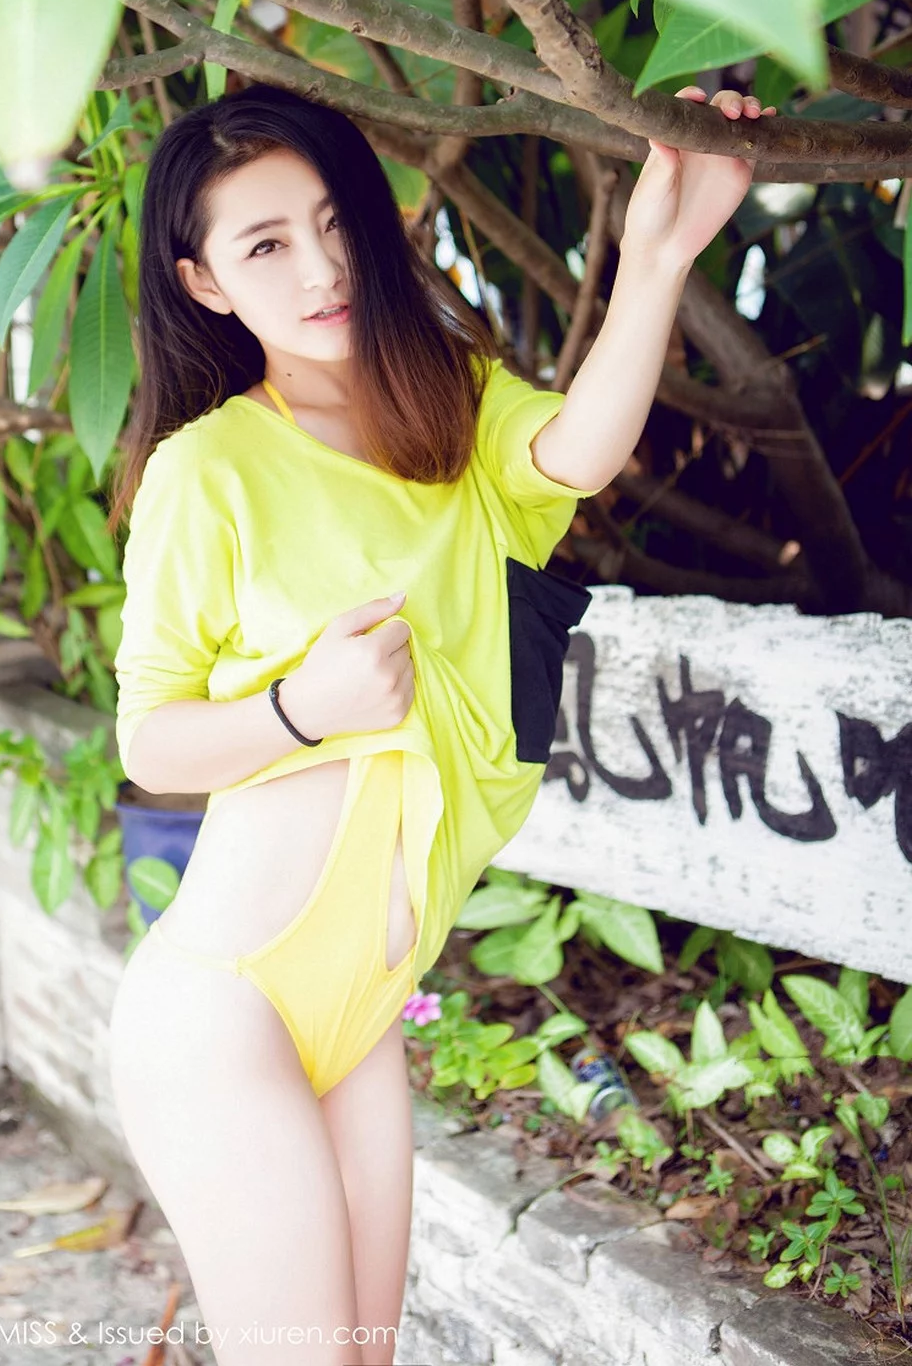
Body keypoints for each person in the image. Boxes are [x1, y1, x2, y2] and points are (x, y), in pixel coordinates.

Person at [105, 79, 774, 1366]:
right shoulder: (209, 469)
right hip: (222, 1011)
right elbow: (150, 741)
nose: (320, 267)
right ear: (204, 285)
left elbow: (579, 451)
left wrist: (658, 255)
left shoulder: (447, 404)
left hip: (358, 1014)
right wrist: (304, 709)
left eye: (332, 223)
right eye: (265, 246)